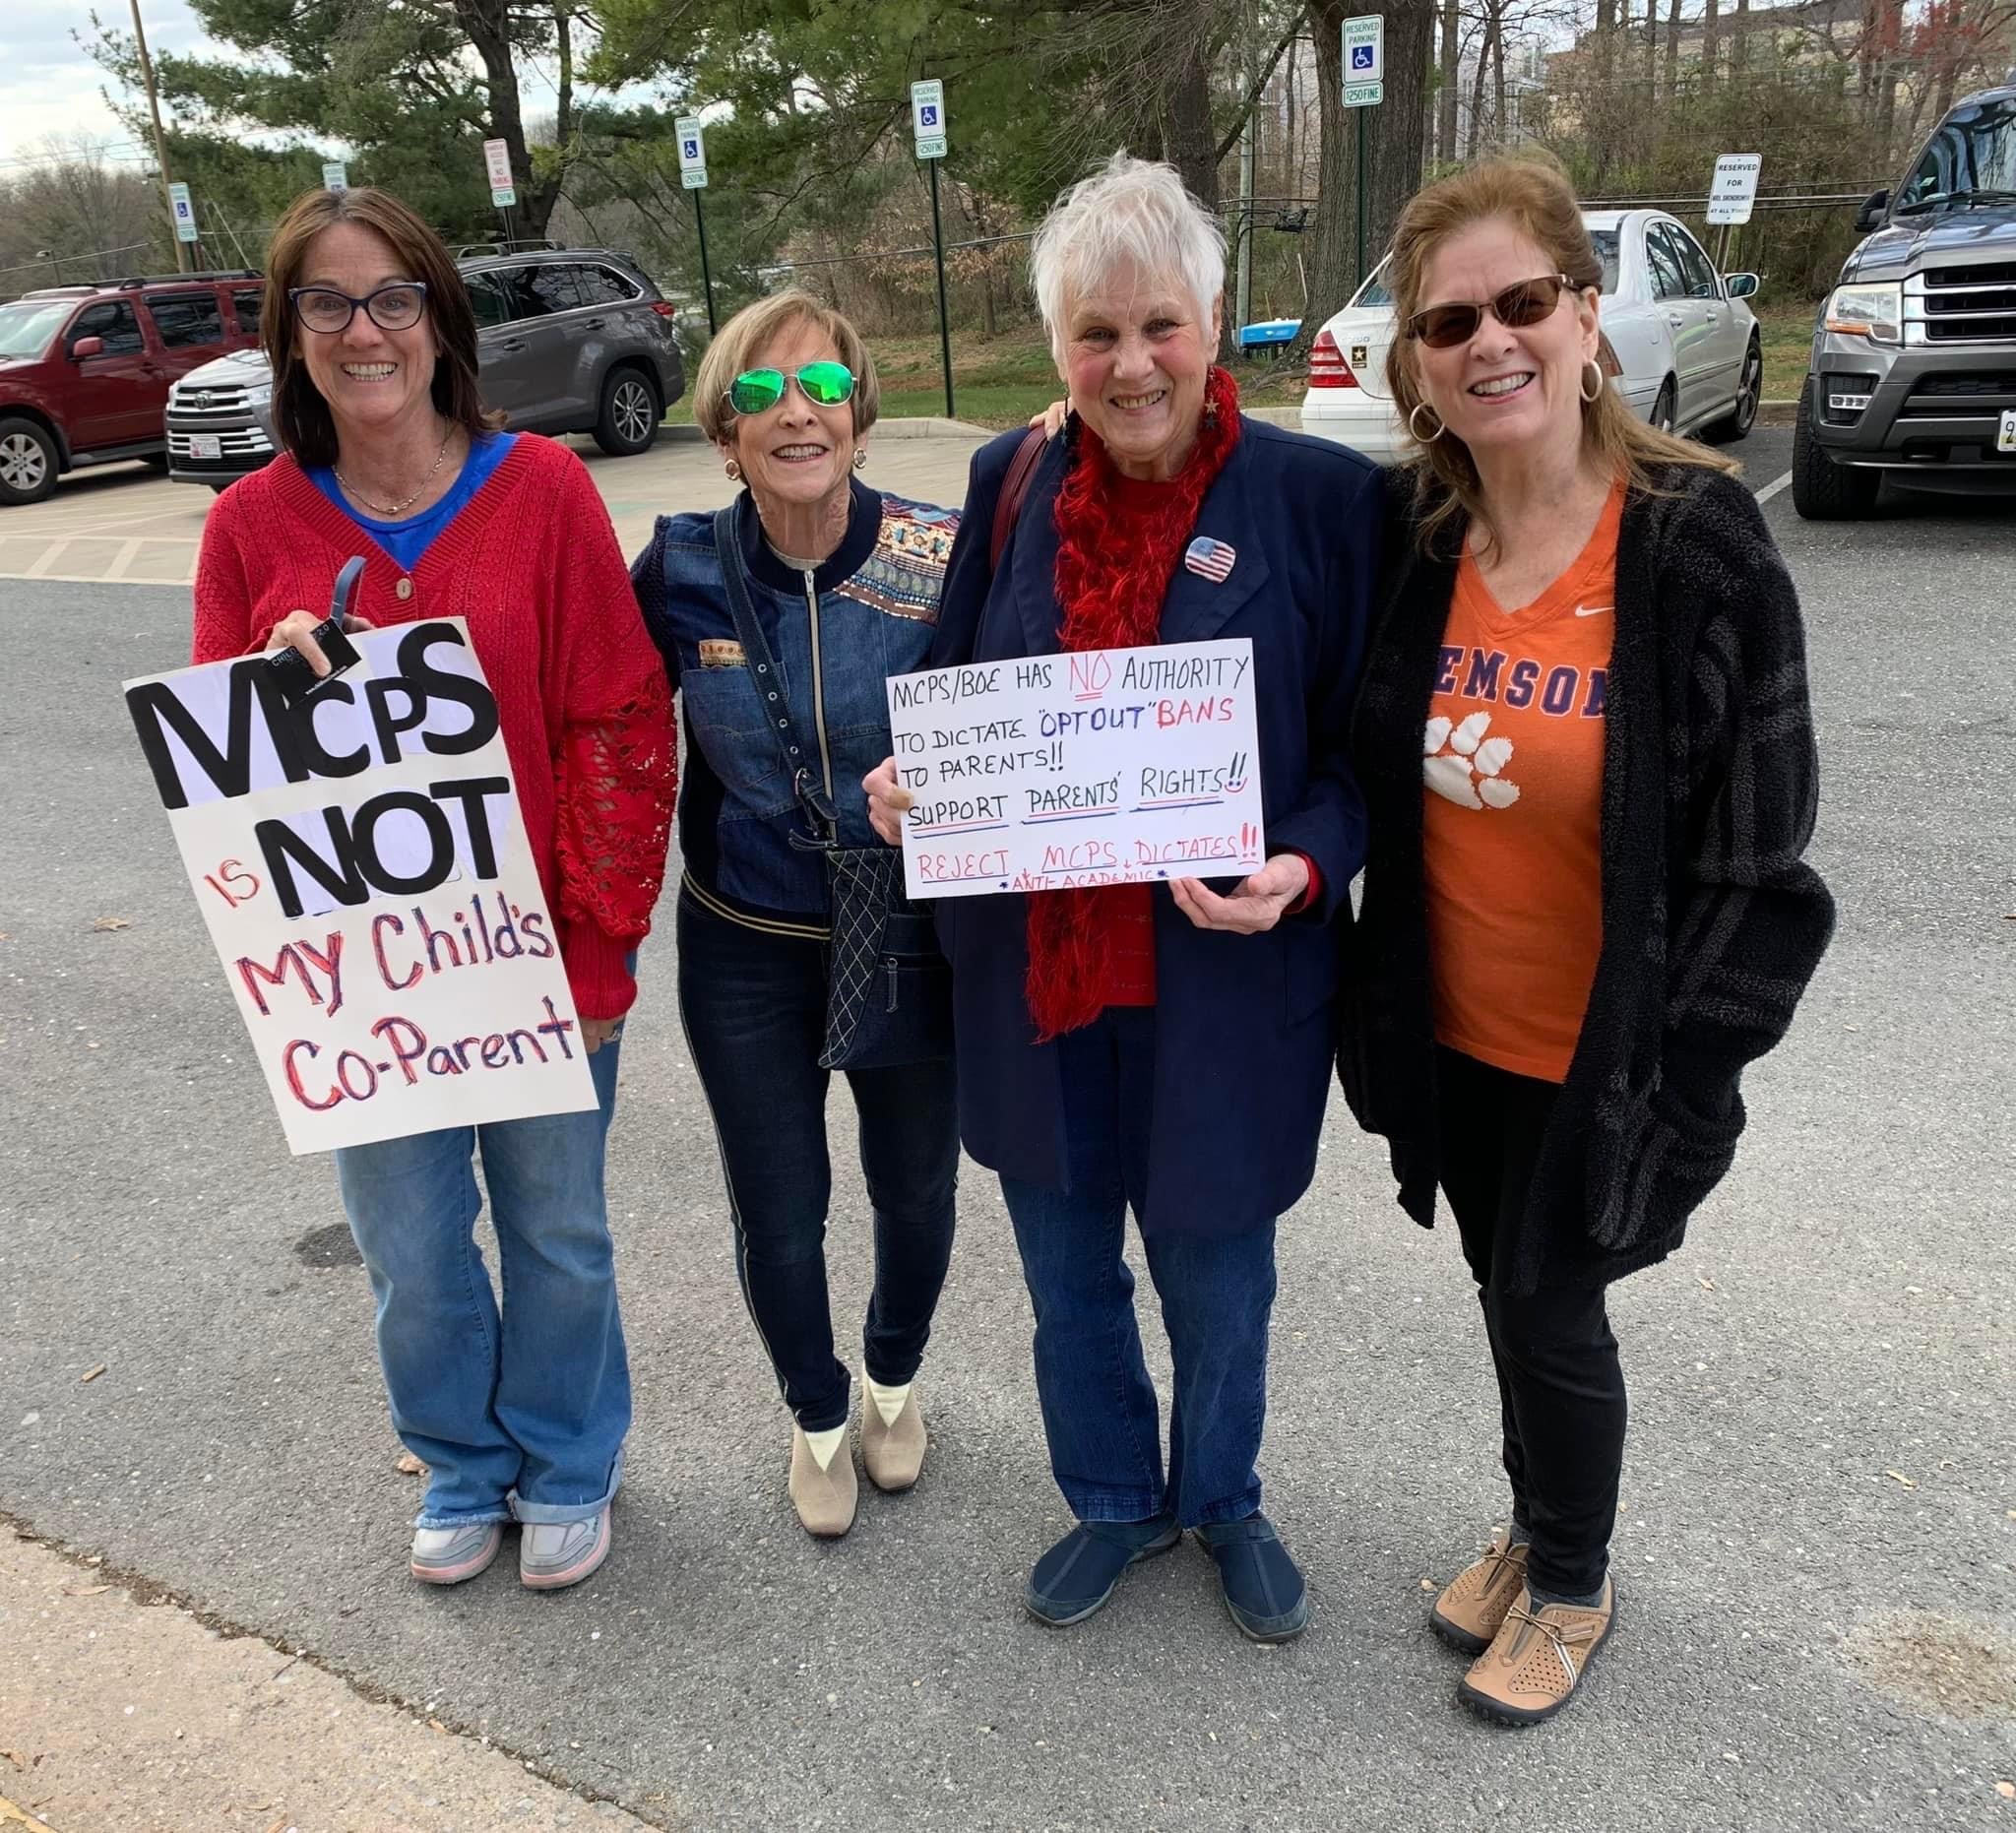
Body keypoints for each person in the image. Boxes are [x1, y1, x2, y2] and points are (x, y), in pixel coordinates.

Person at [1340, 158, 1834, 1724]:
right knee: (1505, 1290)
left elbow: (1761, 861)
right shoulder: (1419, 540)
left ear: (1584, 314)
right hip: (1458, 1032)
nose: (1491, 341)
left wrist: (1690, 1077)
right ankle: (1534, 1515)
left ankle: (1571, 1576)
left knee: (1551, 1307)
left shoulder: (1696, 547)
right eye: (1450, 322)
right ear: (1418, 361)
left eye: (1522, 303)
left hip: (1607, 1054)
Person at [866, 154, 1380, 1641]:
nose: (1132, 363)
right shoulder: (1011, 481)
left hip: (1221, 983)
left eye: (1159, 325)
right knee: (1067, 1275)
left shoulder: (1317, 500)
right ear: (1058, 348)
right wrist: (912, 782)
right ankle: (1109, 1494)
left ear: (1214, 325)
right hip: (1040, 984)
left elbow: (1360, 756)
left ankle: (1220, 1495)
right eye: (1097, 333)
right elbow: (947, 684)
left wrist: (1303, 863)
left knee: (1220, 1283)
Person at [190, 186, 674, 1592]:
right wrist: (265, 685)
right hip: (367, 982)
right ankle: (461, 1460)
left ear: (439, 319)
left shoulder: (544, 492)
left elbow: (619, 716)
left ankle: (568, 1454)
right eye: (326, 302)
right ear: (289, 333)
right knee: (408, 1243)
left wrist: (598, 938)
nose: (364, 330)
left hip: (539, 957)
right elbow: (222, 784)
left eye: (392, 297)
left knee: (558, 1231)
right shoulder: (248, 528)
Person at [629, 292, 962, 1541]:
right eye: (758, 394)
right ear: (725, 436)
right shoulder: (680, 569)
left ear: (860, 415)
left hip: (910, 931)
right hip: (745, 940)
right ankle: (815, 1413)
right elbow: (577, 702)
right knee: (777, 1205)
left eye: (821, 385)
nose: (795, 412)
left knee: (914, 1187)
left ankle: (890, 1377)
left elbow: (1029, 708)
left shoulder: (942, 554)